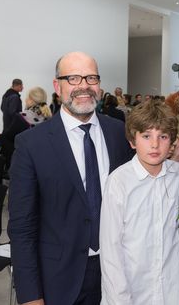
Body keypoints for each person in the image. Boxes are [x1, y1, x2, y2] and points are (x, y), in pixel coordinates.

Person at [8, 51, 134, 305]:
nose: (84, 86)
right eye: (73, 78)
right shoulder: (31, 144)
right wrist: (31, 296)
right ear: (58, 86)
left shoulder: (120, 133)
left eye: (91, 78)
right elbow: (22, 228)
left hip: (118, 275)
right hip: (59, 279)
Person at [100, 100, 179, 304]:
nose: (154, 145)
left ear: (172, 141)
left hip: (170, 292)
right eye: (146, 136)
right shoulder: (119, 182)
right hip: (131, 293)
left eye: (162, 137)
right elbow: (111, 251)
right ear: (132, 140)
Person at [0, 86, 52, 169]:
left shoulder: (21, 117)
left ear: (31, 100)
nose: (25, 100)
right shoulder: (49, 119)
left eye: (27, 97)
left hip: (23, 163)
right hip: (42, 163)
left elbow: (9, 137)